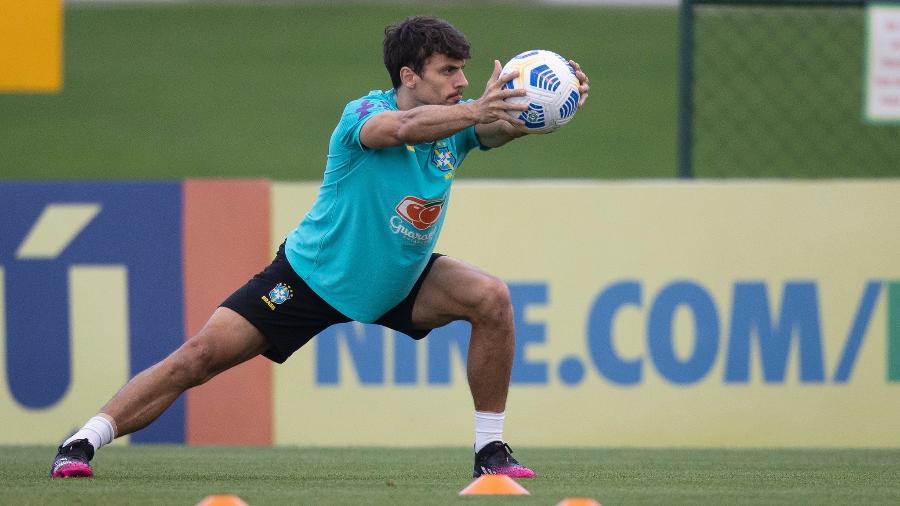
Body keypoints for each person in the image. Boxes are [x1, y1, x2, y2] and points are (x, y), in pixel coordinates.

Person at [50, 15, 590, 479]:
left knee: (491, 299)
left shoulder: (456, 126)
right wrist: (476, 111)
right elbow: (399, 127)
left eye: (462, 71)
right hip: (311, 278)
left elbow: (498, 127)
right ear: (409, 76)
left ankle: (490, 450)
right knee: (200, 357)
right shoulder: (362, 113)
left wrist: (551, 106)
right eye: (448, 71)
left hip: (399, 280)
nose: (463, 82)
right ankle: (83, 442)